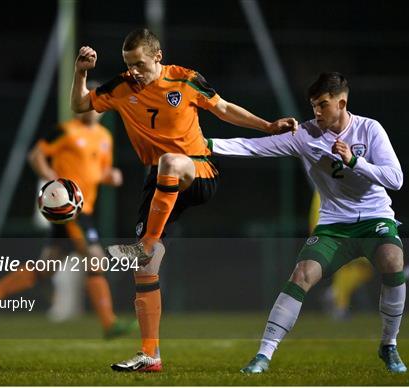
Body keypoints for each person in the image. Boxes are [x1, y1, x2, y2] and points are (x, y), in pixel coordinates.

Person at [70, 28, 297, 372]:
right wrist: (81, 72)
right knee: (145, 268)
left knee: (170, 163)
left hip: (198, 170)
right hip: (159, 181)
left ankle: (146, 242)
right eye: (129, 65)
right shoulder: (120, 88)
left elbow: (222, 109)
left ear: (158, 57)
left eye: (140, 64)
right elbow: (79, 104)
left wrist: (267, 126)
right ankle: (151, 355)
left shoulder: (184, 80)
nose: (134, 71)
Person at [209, 72, 408, 374]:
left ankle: (389, 345)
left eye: (323, 105)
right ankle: (263, 354)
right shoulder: (306, 135)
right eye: (314, 105)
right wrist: (204, 143)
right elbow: (254, 147)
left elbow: (395, 179)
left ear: (342, 102)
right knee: (301, 274)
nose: (317, 112)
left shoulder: (370, 130)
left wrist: (355, 162)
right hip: (334, 224)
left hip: (374, 218)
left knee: (393, 261)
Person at [0, 107, 136, 339]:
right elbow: (36, 156)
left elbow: (98, 170)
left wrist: (109, 176)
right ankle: (108, 323)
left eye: (98, 104)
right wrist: (53, 181)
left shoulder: (104, 137)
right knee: (96, 259)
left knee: (47, 267)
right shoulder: (65, 130)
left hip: (85, 209)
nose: (94, 109)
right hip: (69, 209)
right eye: (89, 103)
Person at [310, 191, 409, 319]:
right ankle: (339, 303)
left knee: (362, 267)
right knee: (356, 264)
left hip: (342, 211)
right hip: (333, 212)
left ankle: (335, 295)